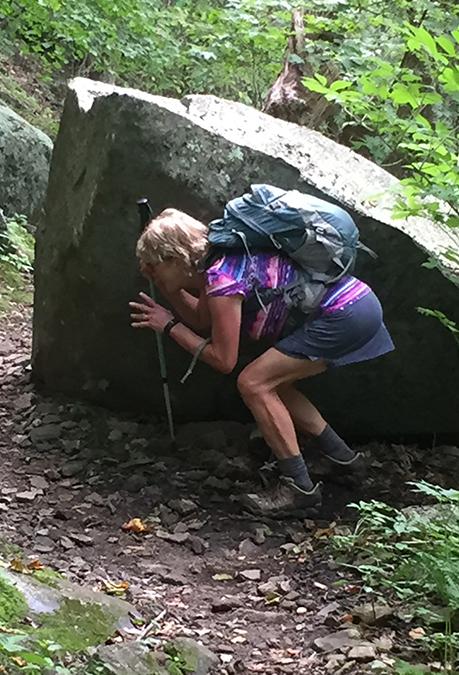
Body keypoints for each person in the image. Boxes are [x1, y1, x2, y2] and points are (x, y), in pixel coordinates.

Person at [129, 207, 394, 517]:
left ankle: (299, 488)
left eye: (154, 265)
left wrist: (170, 327)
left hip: (343, 315)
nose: (148, 271)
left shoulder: (221, 278)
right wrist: (166, 290)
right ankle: (344, 460)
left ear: (175, 258)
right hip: (357, 305)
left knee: (252, 383)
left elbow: (223, 360)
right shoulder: (220, 262)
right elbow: (202, 320)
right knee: (271, 383)